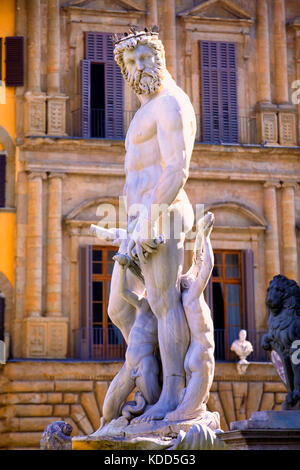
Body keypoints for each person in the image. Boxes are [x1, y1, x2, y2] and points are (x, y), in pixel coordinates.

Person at [107, 27, 197, 421]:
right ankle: (152, 376)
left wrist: (149, 220)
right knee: (118, 309)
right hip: (137, 222)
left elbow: (176, 168)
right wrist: (129, 227)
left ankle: (172, 396)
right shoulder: (142, 113)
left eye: (145, 57)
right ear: (124, 69)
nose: (139, 66)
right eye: (131, 60)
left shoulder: (171, 103)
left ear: (158, 58)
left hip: (165, 212)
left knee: (163, 303)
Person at [163, 212, 215, 422]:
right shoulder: (192, 297)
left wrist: (200, 237)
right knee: (187, 415)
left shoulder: (187, 296)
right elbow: (207, 267)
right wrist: (207, 237)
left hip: (193, 355)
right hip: (202, 355)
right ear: (187, 284)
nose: (194, 278)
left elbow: (196, 264)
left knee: (190, 411)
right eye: (190, 279)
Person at [100, 252, 161, 426]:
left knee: (153, 407)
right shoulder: (143, 304)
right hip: (129, 366)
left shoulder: (164, 315)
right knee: (108, 410)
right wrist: (122, 267)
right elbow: (123, 292)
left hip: (145, 365)